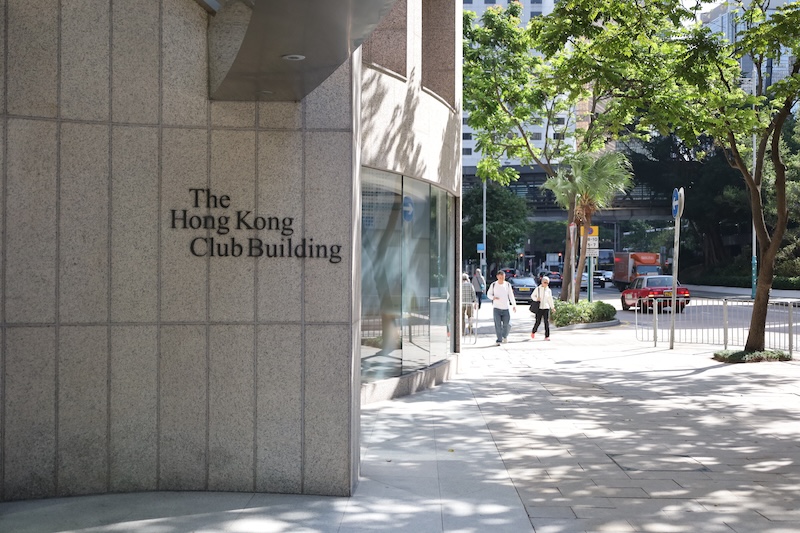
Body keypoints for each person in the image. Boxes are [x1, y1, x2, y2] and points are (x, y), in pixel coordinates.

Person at [486, 270, 516, 346]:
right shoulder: (493, 285)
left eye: (503, 277)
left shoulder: (507, 285)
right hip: (496, 308)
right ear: (497, 277)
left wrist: (514, 305)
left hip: (506, 308)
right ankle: (499, 339)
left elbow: (511, 295)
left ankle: (504, 336)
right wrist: (493, 297)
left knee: (508, 324)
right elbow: (488, 294)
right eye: (500, 277)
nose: (502, 279)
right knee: (498, 325)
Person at [531, 276, 555, 341]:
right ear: (542, 282)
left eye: (547, 283)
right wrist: (536, 299)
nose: (546, 284)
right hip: (539, 308)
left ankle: (547, 336)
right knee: (538, 322)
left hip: (546, 307)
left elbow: (550, 299)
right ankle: (533, 331)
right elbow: (532, 296)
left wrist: (552, 307)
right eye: (545, 282)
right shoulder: (538, 289)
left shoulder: (549, 290)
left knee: (546, 322)